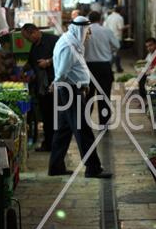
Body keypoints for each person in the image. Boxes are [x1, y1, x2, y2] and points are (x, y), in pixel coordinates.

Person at [48, 15, 112, 178]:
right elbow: (63, 70)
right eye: (87, 30)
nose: (89, 33)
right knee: (83, 129)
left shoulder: (72, 42)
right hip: (70, 91)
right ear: (80, 29)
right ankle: (93, 168)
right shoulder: (70, 45)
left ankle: (56, 166)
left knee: (63, 130)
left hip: (70, 89)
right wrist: (56, 83)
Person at [21, 24, 58, 152]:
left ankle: (54, 143)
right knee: (46, 115)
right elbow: (31, 62)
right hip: (41, 86)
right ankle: (48, 143)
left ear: (35, 32)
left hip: (53, 84)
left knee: (53, 115)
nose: (27, 41)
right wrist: (23, 70)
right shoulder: (35, 45)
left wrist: (48, 62)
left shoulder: (53, 40)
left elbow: (64, 56)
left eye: (28, 38)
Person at [85, 11, 120, 126]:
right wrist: (108, 51)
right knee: (104, 95)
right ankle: (103, 123)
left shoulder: (84, 32)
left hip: (88, 68)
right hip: (104, 66)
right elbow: (117, 46)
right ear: (100, 19)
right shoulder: (106, 31)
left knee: (88, 96)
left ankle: (85, 123)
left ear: (89, 20)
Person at [104, 5, 127, 72]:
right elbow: (120, 28)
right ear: (121, 11)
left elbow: (104, 26)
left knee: (112, 53)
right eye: (123, 10)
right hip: (117, 38)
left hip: (108, 38)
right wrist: (127, 26)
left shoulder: (109, 17)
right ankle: (110, 67)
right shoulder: (120, 18)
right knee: (116, 54)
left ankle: (118, 68)